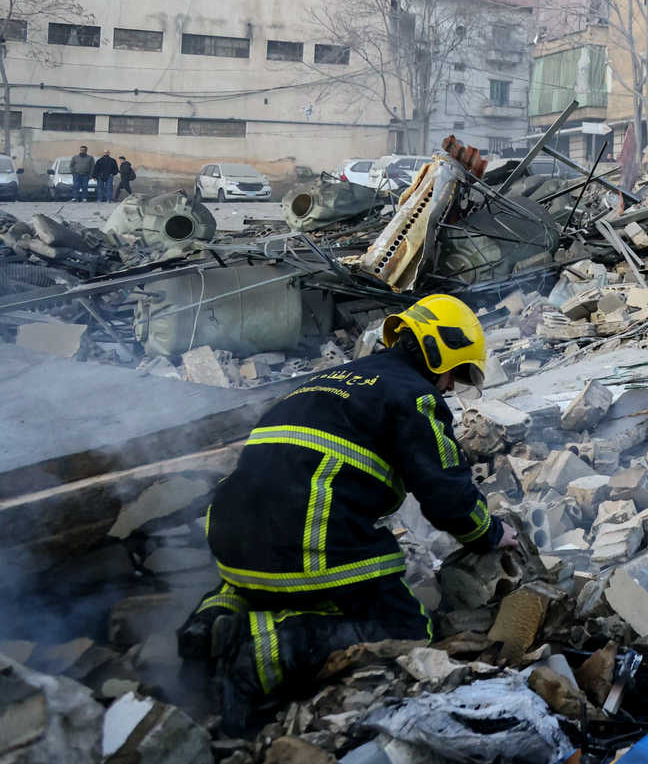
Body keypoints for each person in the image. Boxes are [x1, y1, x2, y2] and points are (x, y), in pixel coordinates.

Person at [177, 294, 513, 733]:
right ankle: (259, 649)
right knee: (408, 631)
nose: (450, 387)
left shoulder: (325, 381)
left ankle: (206, 626)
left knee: (259, 584)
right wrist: (490, 533)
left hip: (230, 535)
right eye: (457, 372)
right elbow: (446, 494)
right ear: (439, 352)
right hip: (304, 535)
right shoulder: (413, 396)